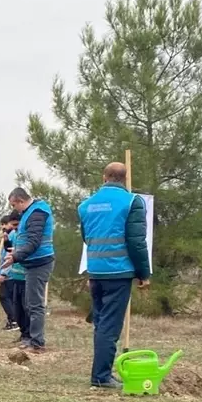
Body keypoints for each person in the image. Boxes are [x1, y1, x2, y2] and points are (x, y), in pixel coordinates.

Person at [78, 162, 150, 388]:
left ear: (104, 177)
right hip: (118, 272)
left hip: (95, 270)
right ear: (124, 179)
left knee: (101, 323)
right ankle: (101, 377)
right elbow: (137, 241)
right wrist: (143, 273)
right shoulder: (131, 202)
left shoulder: (86, 205)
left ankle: (100, 373)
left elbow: (86, 237)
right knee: (110, 326)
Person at [1, 186, 55, 352]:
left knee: (35, 304)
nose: (13, 209)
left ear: (20, 201)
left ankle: (37, 342)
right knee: (29, 303)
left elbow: (33, 241)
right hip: (32, 262)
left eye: (13, 205)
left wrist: (15, 257)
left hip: (39, 262)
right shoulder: (29, 213)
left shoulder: (37, 213)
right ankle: (31, 339)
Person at [0, 213, 19, 330]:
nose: (3, 227)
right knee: (8, 297)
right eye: (2, 225)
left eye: (5, 224)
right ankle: (13, 320)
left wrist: (3, 273)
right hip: (8, 272)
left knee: (4, 296)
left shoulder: (14, 235)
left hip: (10, 274)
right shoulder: (8, 236)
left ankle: (14, 320)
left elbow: (11, 256)